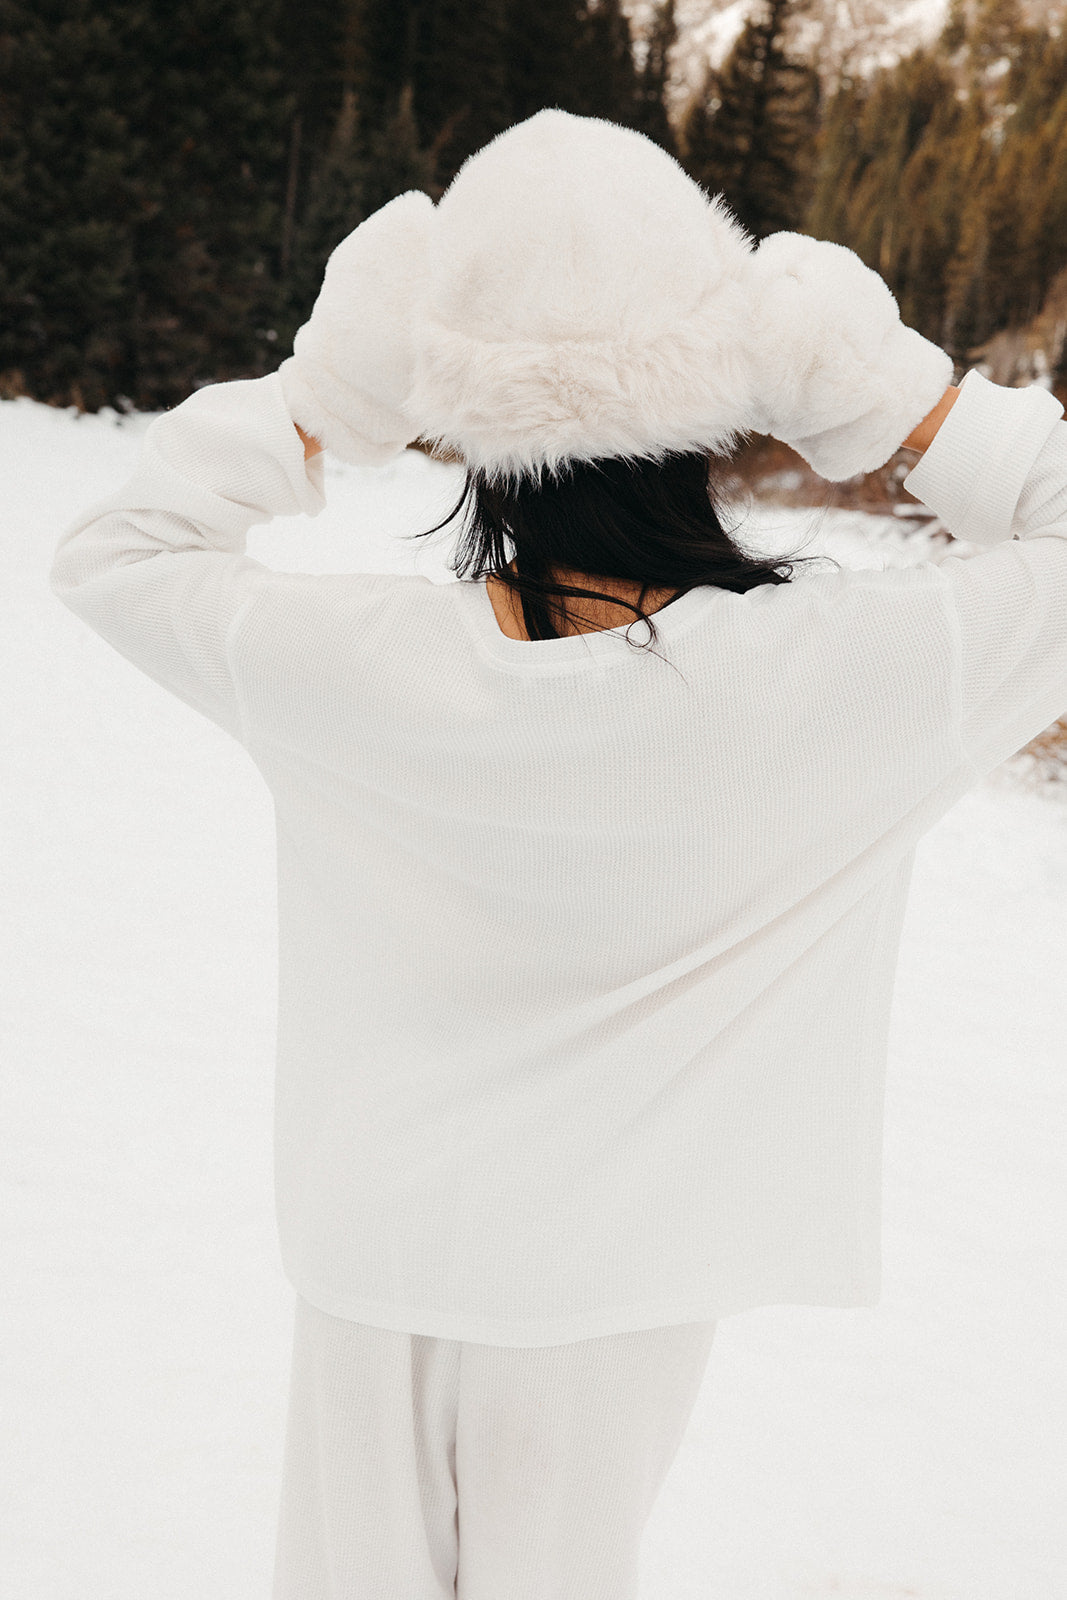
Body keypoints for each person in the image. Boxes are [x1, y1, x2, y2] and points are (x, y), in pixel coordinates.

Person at [48, 109, 1067, 1599]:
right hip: (615, 1289)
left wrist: (327, 395)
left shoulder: (354, 663)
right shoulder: (833, 681)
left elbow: (117, 551)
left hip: (375, 1251)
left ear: (470, 418)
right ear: (717, 397)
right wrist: (889, 396)